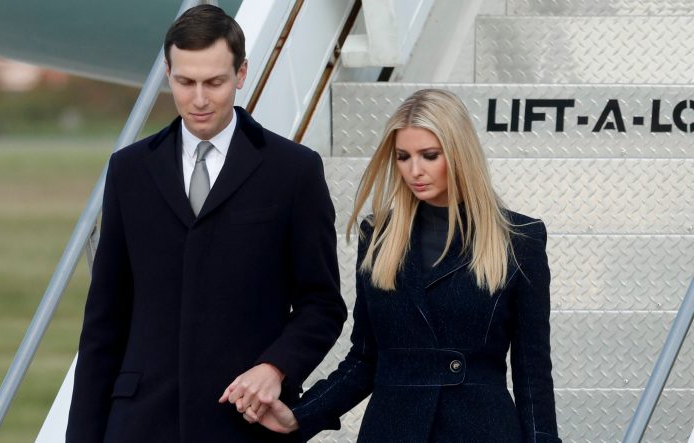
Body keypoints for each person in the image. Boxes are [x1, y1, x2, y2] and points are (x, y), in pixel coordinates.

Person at [66, 5, 347, 442]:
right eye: (185, 81)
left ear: (242, 73)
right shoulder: (129, 171)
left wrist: (276, 368)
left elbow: (323, 304)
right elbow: (105, 320)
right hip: (139, 425)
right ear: (167, 72)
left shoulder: (293, 171)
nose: (199, 99)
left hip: (241, 426)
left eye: (214, 82)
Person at [242, 89, 561, 442]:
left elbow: (532, 375)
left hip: (481, 429)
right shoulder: (378, 236)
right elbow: (366, 359)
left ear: (460, 154)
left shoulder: (519, 238)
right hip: (392, 429)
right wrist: (300, 416)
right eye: (403, 157)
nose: (415, 170)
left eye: (429, 155)